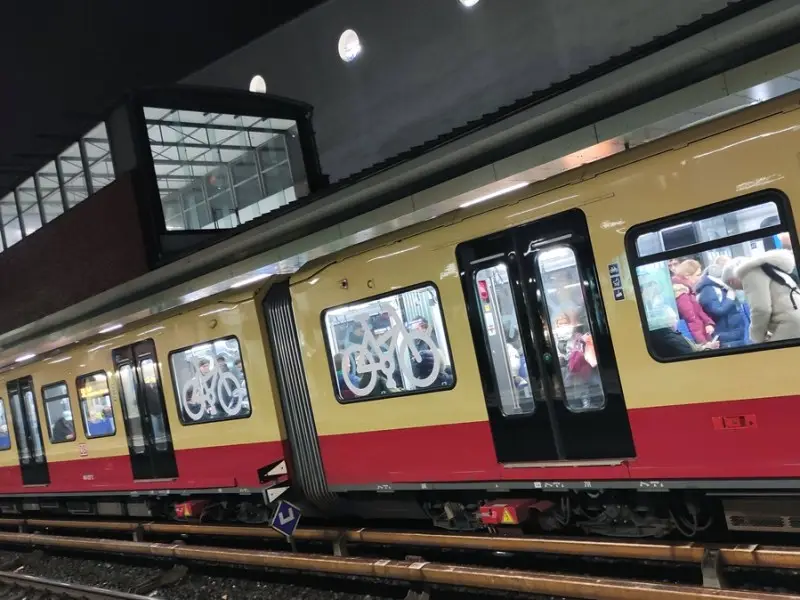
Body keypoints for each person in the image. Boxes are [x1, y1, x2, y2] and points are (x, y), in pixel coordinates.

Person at [722, 249, 800, 344]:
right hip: (794, 317)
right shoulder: (767, 268)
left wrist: (756, 338)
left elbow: (760, 309)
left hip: (789, 323)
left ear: (731, 282)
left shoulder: (749, 273)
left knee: (771, 353)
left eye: (734, 288)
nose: (740, 290)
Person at [695, 259, 749, 348]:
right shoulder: (708, 290)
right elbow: (717, 310)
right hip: (726, 334)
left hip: (734, 332)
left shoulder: (720, 288)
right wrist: (730, 298)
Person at [672, 260, 715, 343]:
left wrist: (708, 323)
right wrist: (704, 344)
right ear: (687, 276)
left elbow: (698, 311)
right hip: (696, 340)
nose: (700, 277)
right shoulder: (682, 295)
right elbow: (692, 320)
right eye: (697, 275)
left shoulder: (688, 291)